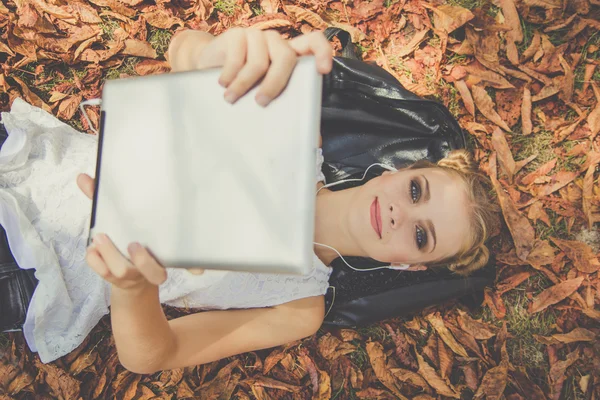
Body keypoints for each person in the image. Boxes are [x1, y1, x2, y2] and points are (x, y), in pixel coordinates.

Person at [0, 28, 496, 374]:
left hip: (35, 273)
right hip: (33, 163)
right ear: (399, 171)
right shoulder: (299, 134)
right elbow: (183, 50)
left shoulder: (301, 308)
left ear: (409, 267)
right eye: (416, 191)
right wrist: (212, 53)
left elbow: (155, 355)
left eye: (421, 235)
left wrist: (131, 290)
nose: (400, 213)